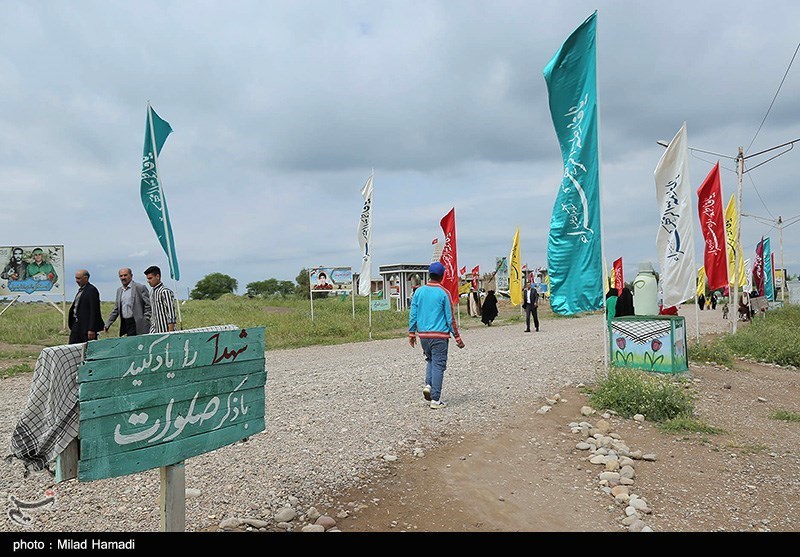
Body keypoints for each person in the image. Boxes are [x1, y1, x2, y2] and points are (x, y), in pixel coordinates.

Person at [408, 261, 464, 409]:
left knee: (430, 360)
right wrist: (457, 337)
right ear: (442, 275)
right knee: (439, 365)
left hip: (424, 336)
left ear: (429, 274)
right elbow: (450, 317)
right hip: (439, 336)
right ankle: (435, 400)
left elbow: (413, 313)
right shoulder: (444, 293)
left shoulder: (419, 292)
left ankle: (428, 385)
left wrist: (412, 333)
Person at [104, 268, 152, 336]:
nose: (123, 277)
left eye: (125, 275)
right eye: (121, 276)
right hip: (126, 324)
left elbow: (148, 305)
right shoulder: (119, 291)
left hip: (138, 323)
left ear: (131, 275)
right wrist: (108, 323)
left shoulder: (140, 287)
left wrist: (145, 319)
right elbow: (116, 309)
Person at [68, 269, 104, 344]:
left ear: (86, 278)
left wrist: (92, 329)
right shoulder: (81, 290)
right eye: (76, 278)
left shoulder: (91, 290)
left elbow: (94, 310)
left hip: (86, 327)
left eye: (79, 278)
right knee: (72, 348)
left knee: (88, 349)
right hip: (76, 324)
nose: (76, 281)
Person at [144, 265, 177, 333]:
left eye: (150, 278)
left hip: (165, 330)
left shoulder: (165, 291)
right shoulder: (151, 292)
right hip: (155, 330)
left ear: (157, 276)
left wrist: (170, 332)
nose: (148, 281)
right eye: (147, 279)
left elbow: (171, 313)